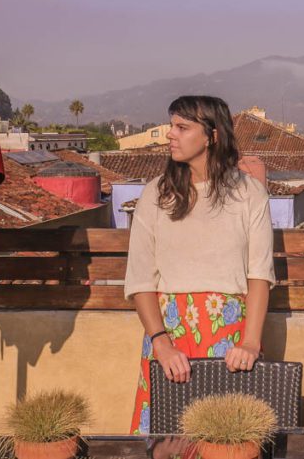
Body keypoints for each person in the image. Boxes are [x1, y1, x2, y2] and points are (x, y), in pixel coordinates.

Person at [124, 95, 276, 434]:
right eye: (171, 126)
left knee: (228, 443)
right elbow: (141, 279)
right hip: (168, 337)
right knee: (166, 444)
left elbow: (260, 274)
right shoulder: (156, 195)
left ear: (212, 136)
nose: (170, 135)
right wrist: (160, 342)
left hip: (232, 340)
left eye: (182, 127)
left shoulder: (250, 194)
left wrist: (251, 342)